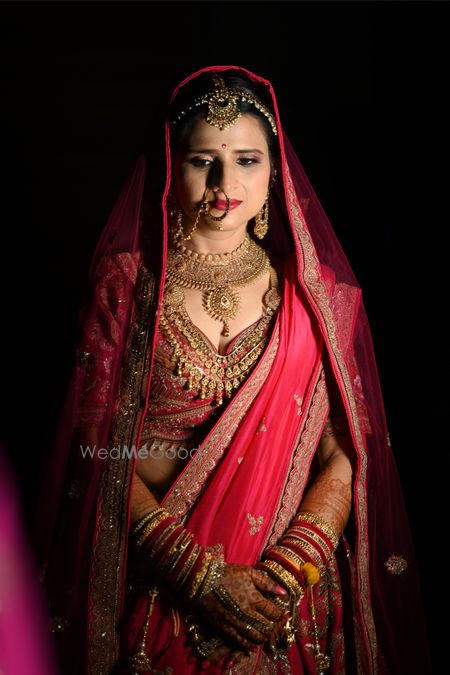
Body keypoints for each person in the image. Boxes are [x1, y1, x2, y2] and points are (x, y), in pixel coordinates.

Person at [37, 65, 431, 674]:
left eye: (247, 160)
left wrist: (287, 573)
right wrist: (199, 575)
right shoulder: (127, 288)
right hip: (156, 580)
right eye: (203, 161)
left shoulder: (314, 298)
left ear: (275, 173)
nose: (226, 182)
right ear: (172, 167)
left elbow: (343, 451)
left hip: (286, 599)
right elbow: (97, 450)